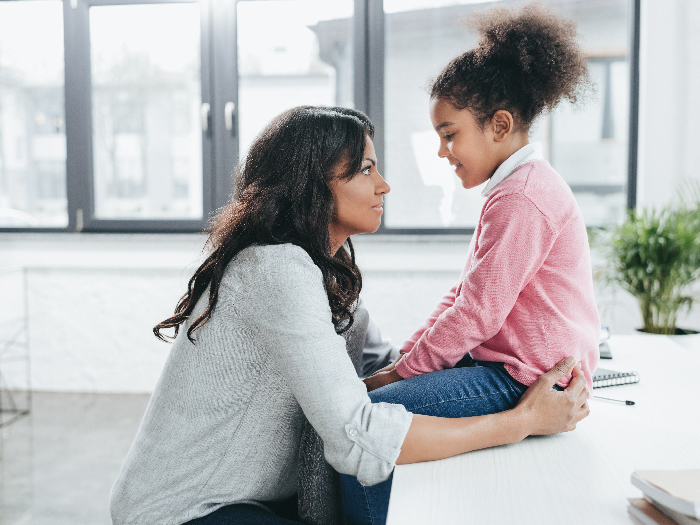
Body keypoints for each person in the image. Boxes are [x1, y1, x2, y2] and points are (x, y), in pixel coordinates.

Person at [109, 105, 589, 525]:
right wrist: (521, 421)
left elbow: (386, 370)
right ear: (311, 185)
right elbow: (356, 435)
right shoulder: (275, 270)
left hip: (255, 500)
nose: (384, 185)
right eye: (364, 170)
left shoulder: (324, 276)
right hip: (187, 512)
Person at [344, 4, 600, 524]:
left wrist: (397, 377)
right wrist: (407, 358)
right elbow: (465, 296)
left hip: (521, 377)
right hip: (503, 363)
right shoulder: (514, 188)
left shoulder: (523, 197)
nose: (442, 151)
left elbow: (476, 315)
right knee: (384, 391)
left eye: (450, 133)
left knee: (372, 422)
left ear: (500, 125)